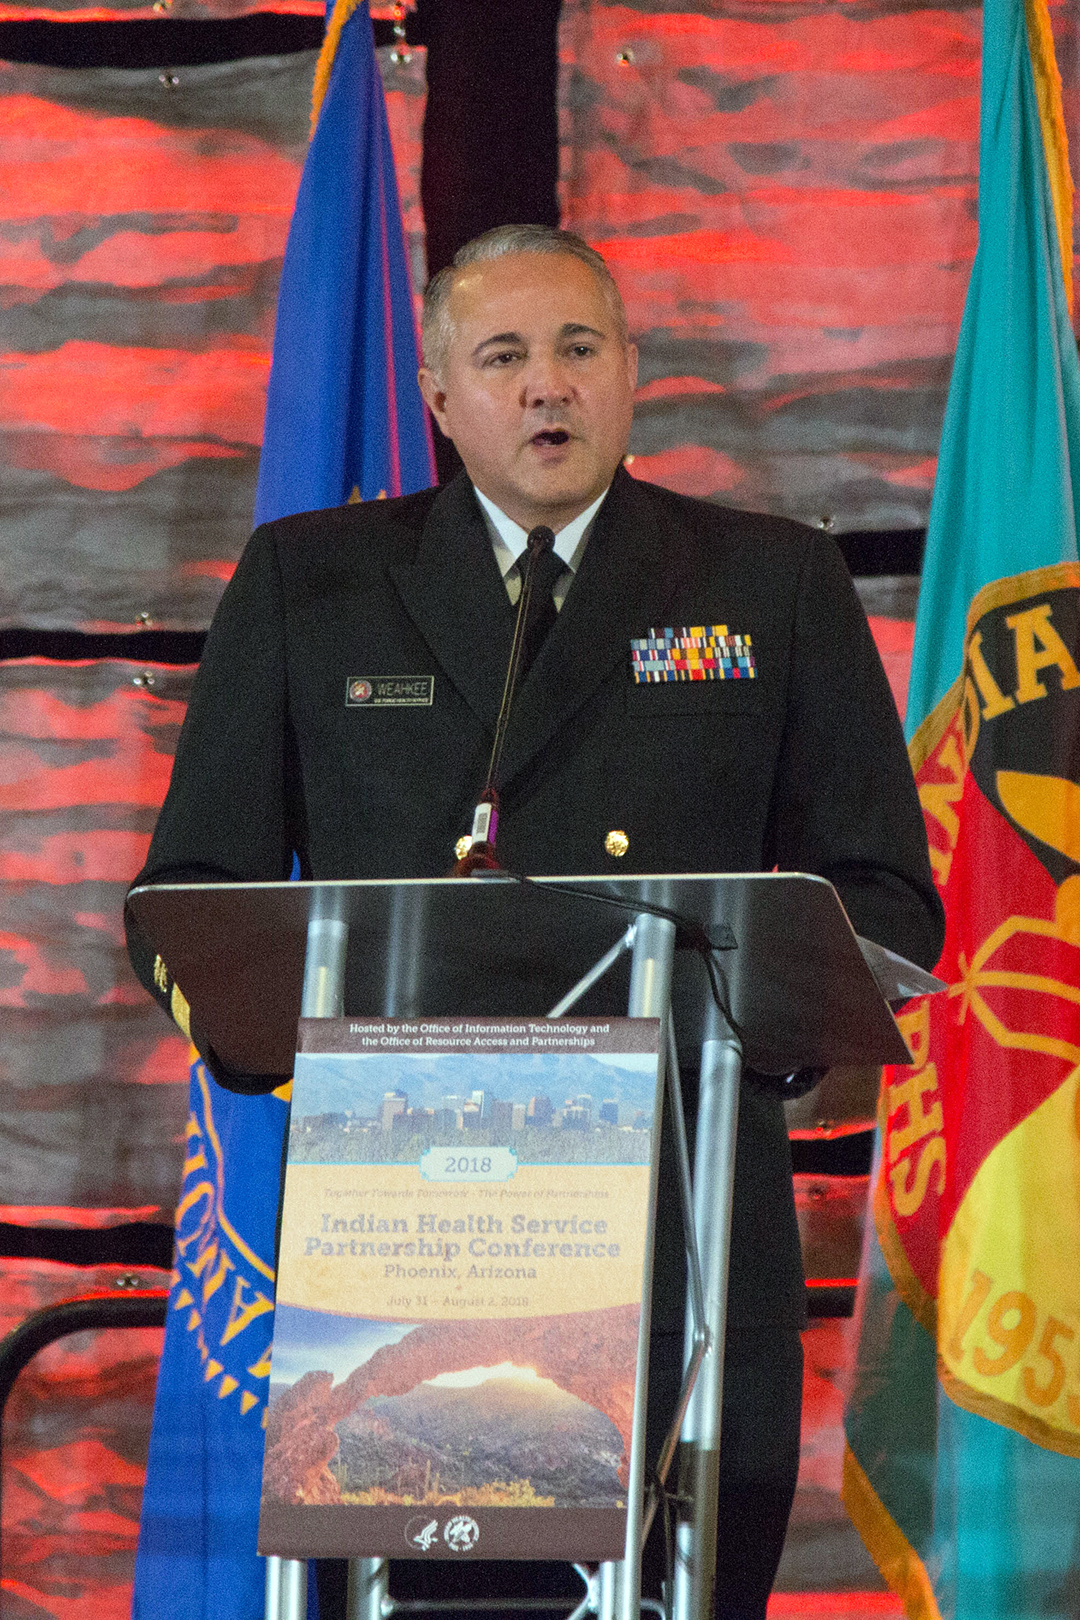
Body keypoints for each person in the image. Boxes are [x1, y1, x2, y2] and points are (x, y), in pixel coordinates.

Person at [127, 224, 944, 1618]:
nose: (546, 387)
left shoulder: (769, 587)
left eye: (578, 349)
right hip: (407, 1238)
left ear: (634, 373)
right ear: (442, 396)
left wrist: (764, 1016)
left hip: (685, 1228)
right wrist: (263, 1021)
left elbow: (882, 902)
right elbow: (192, 898)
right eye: (504, 357)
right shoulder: (309, 583)